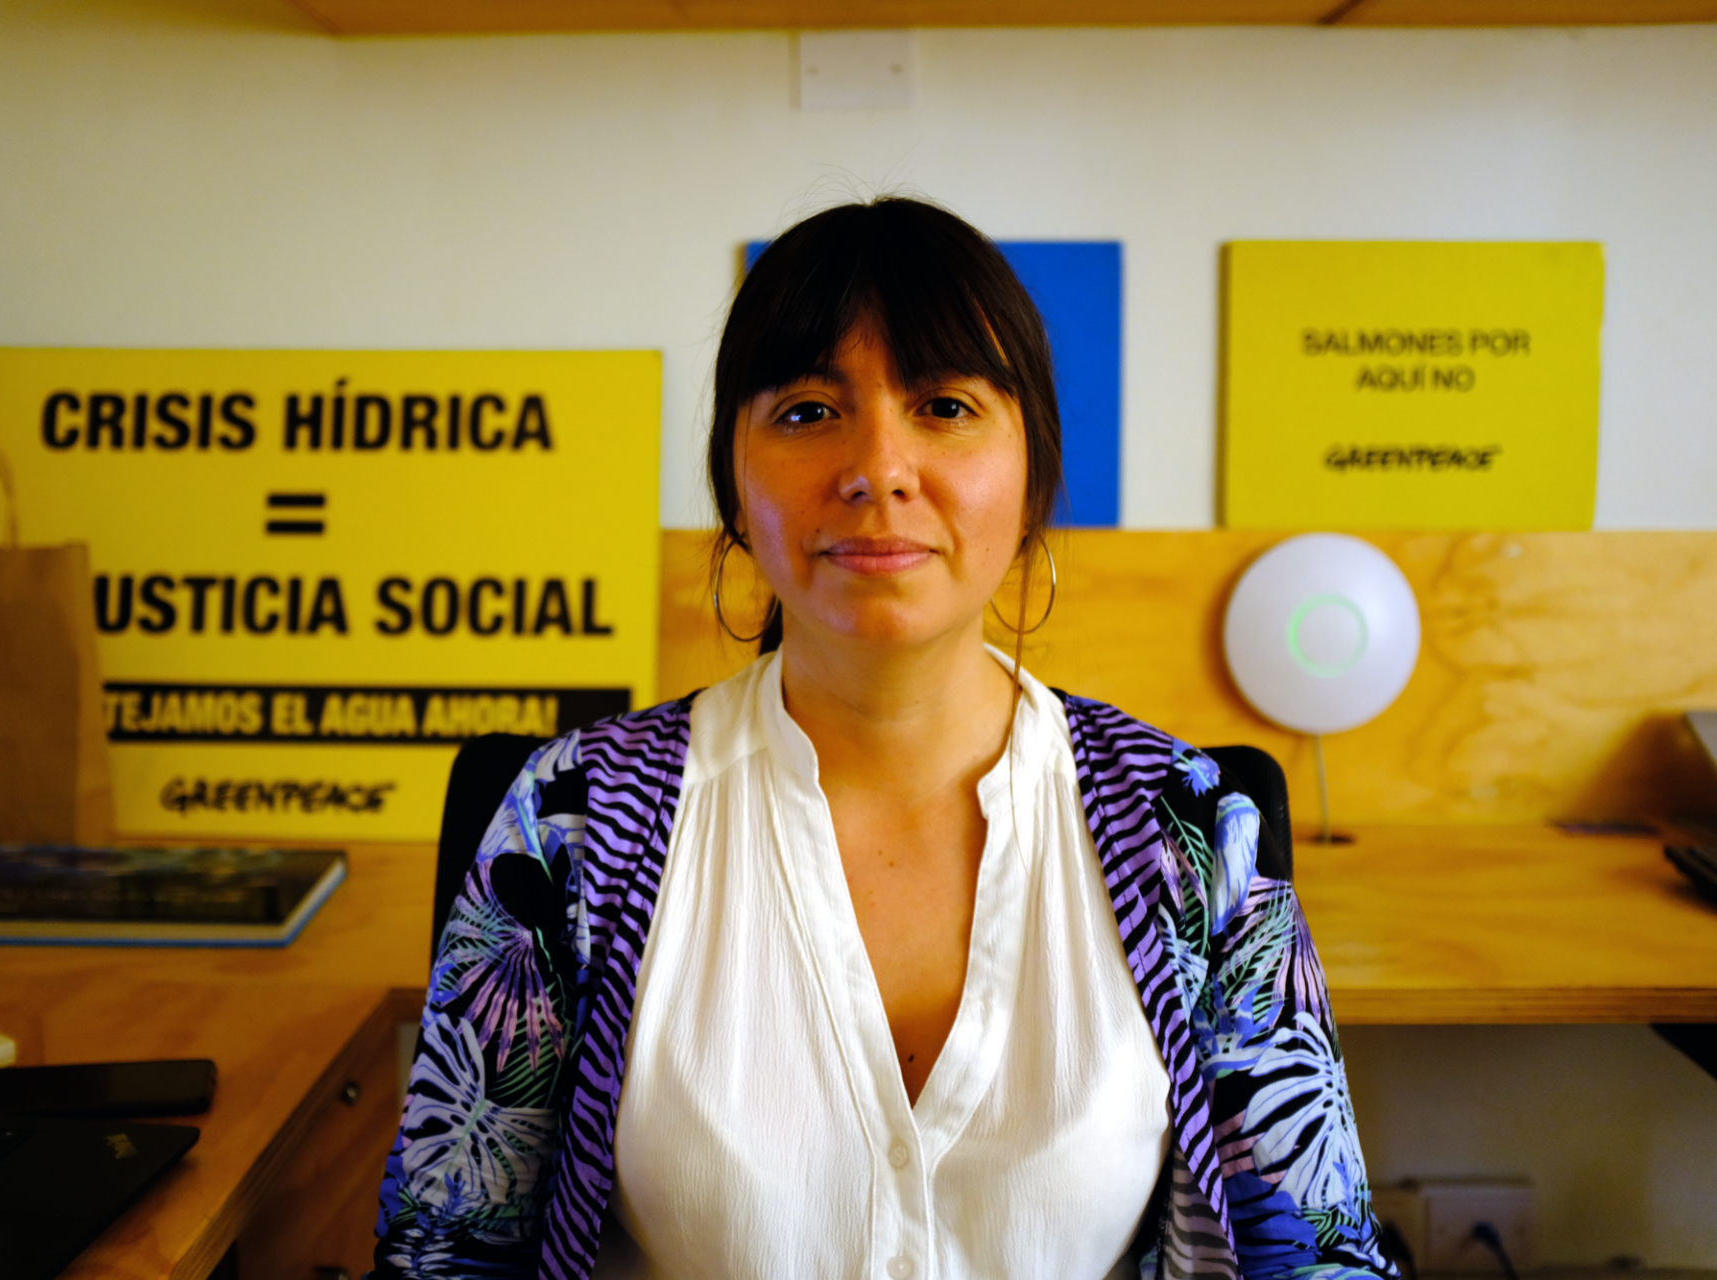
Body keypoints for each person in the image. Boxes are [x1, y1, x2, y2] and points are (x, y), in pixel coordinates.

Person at [371, 197, 1395, 1280]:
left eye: (945, 405)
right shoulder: (573, 822)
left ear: (1036, 473)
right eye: (808, 410)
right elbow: (444, 1254)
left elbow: (1317, 1257)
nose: (878, 467)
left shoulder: (1186, 830)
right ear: (733, 481)